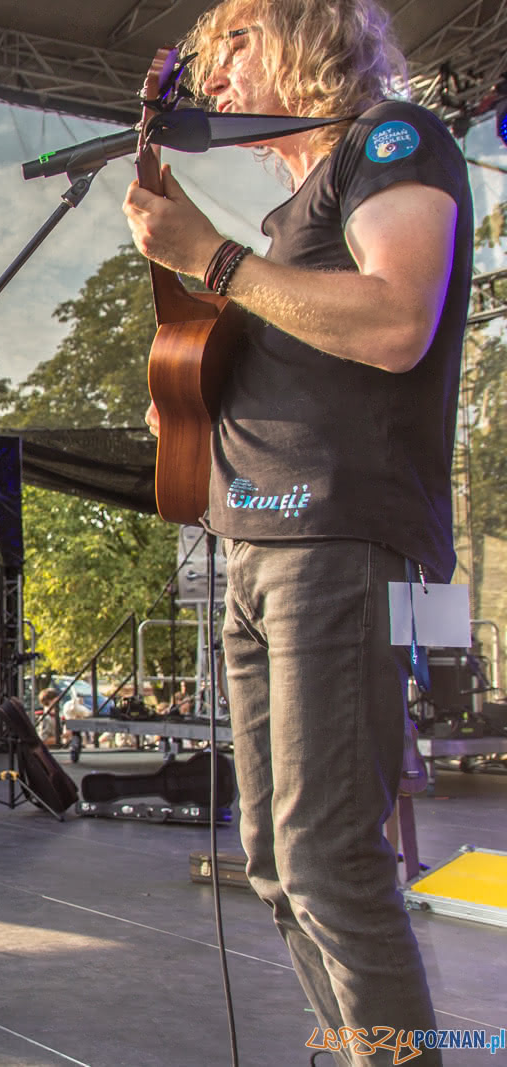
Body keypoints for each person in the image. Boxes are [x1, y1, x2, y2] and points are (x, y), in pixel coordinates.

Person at [122, 2, 467, 1060]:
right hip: (254, 540)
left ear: (298, 41)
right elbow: (301, 351)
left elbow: (395, 321)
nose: (214, 87)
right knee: (273, 860)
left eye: (227, 55)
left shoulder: (393, 141)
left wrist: (214, 263)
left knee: (326, 855)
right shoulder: (290, 220)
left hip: (329, 536)